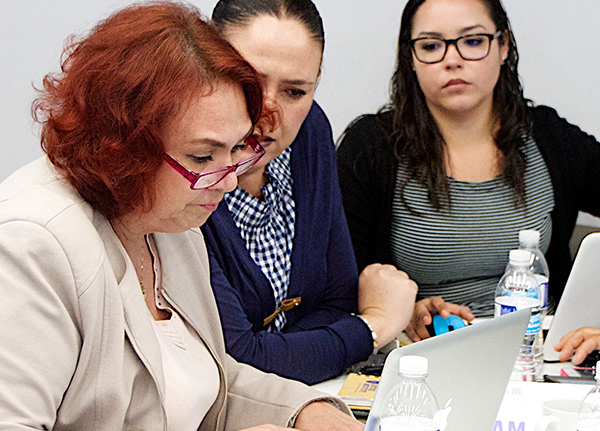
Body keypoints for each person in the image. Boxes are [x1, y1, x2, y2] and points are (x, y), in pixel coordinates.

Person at [0, 3, 363, 430]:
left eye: (236, 150)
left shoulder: (174, 220)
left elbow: (208, 377)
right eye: (204, 155)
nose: (228, 182)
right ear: (125, 143)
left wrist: (306, 410)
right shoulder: (32, 246)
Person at [337, 0, 600, 342]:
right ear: (410, 58)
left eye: (473, 41)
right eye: (431, 46)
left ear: (503, 46)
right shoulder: (371, 148)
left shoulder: (547, 136)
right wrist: (403, 312)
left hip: (538, 354)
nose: (452, 60)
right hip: (423, 356)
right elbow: (336, 278)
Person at [202, 0, 417, 385]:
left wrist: (292, 353)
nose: (268, 112)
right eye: (248, 81)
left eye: (295, 92)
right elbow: (235, 359)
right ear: (205, 65)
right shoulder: (189, 174)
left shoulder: (310, 130)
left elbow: (336, 302)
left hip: (302, 396)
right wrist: (375, 325)